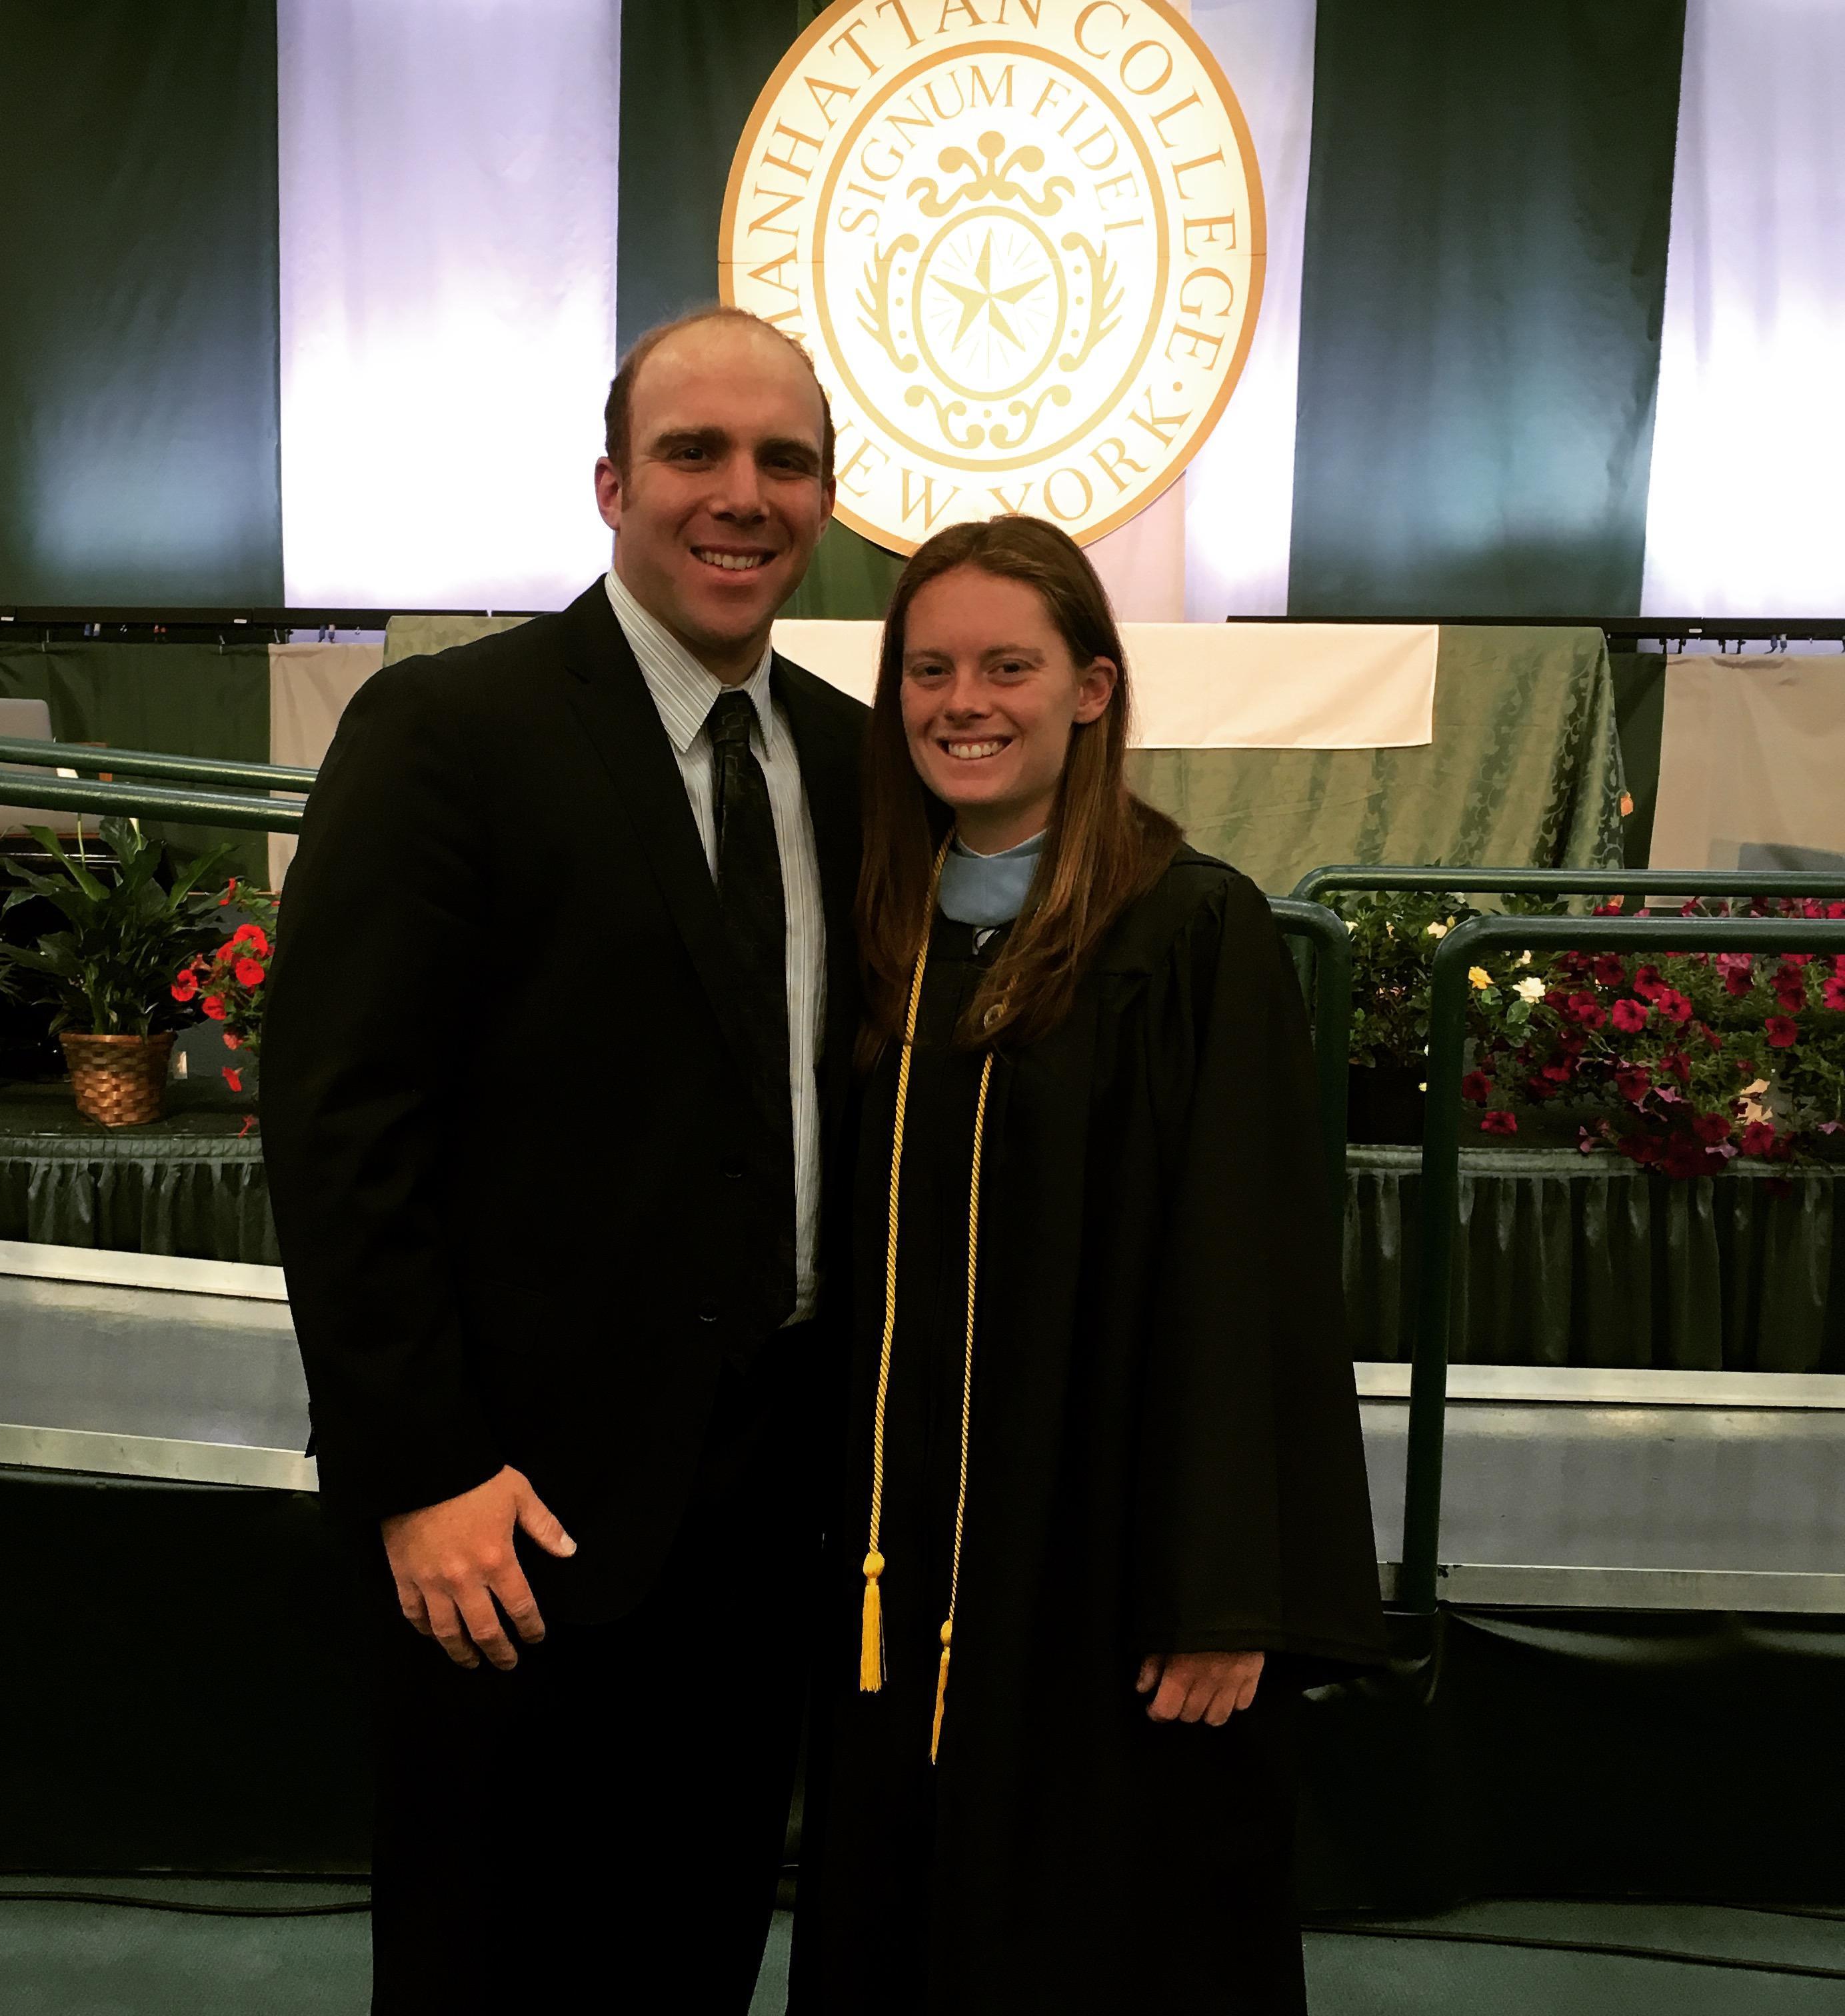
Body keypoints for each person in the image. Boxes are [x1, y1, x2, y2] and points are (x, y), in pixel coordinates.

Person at [258, 306, 867, 2013]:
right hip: (508, 1517)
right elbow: (339, 1119)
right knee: (491, 1969)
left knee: (691, 1957)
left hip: (771, 1510)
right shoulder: (447, 733)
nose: (741, 495)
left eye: (784, 460)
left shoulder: (847, 754)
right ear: (612, 482)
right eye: (695, 453)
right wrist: (418, 1468)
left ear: (826, 497)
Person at [789, 515, 1386, 2015]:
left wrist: (1226, 1592)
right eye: (928, 670)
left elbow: (1247, 1283)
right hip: (899, 1552)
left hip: (1103, 1560)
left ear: (1094, 690)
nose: (962, 702)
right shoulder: (883, 928)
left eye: (1008, 665)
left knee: (1104, 1933)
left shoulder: (1190, 934)